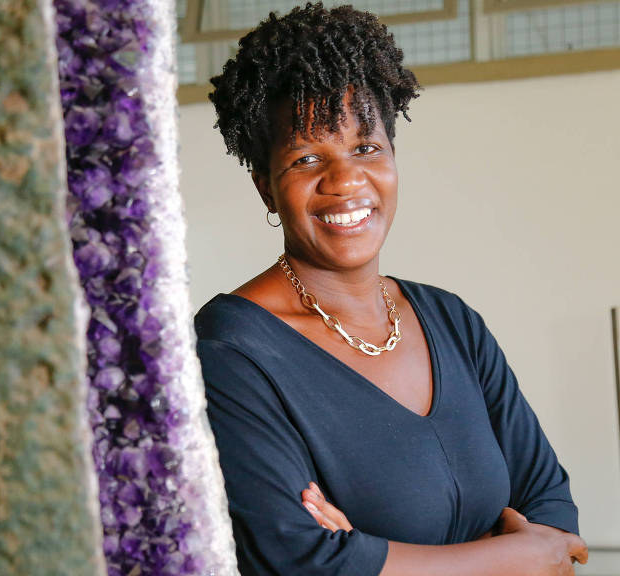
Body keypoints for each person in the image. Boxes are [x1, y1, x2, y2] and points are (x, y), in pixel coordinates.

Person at [193, 3, 589, 575]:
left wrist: (376, 559)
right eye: (307, 158)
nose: (346, 180)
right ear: (266, 187)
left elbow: (556, 519)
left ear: (393, 157)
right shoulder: (232, 350)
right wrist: (520, 553)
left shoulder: (452, 322)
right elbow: (305, 562)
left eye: (366, 148)